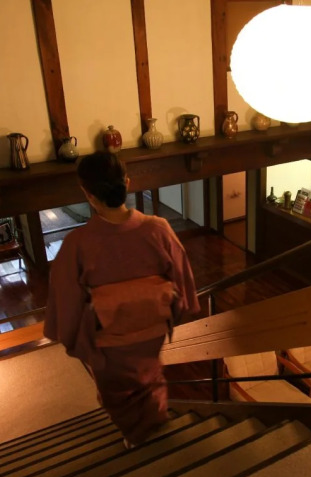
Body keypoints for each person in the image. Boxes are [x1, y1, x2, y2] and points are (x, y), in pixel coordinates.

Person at [44, 151, 199, 447]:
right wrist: (167, 310)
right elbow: (183, 282)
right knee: (150, 377)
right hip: (151, 332)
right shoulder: (159, 229)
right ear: (127, 183)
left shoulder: (77, 244)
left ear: (88, 195)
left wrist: (75, 338)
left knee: (117, 392)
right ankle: (155, 422)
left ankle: (134, 436)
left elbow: (67, 300)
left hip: (109, 343)